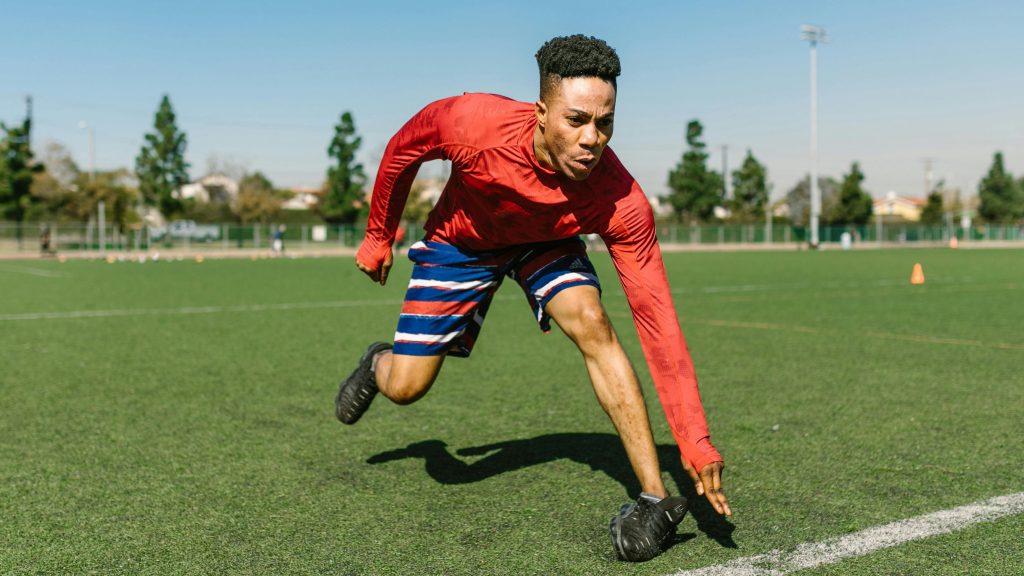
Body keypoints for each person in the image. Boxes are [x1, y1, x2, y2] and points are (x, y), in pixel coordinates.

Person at [336, 34, 731, 561]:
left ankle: (654, 498)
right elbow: (403, 147)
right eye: (576, 120)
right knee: (406, 388)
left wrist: (695, 438)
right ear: (542, 112)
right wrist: (378, 234)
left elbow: (657, 321)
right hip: (464, 241)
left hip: (544, 242)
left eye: (605, 122)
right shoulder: (472, 124)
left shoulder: (621, 200)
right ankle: (377, 360)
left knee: (593, 322)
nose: (592, 138)